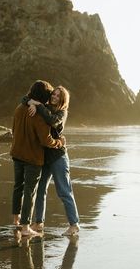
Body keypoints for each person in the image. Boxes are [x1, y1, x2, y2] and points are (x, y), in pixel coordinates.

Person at [23, 86, 80, 236]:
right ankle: (39, 223)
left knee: (64, 191)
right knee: (41, 189)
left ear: (63, 99)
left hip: (58, 157)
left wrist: (39, 105)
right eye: (53, 94)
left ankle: (74, 225)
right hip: (45, 157)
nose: (54, 96)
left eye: (58, 95)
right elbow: (24, 99)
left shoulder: (62, 112)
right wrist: (31, 103)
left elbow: (52, 121)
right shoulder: (46, 106)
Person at [10, 80, 64, 236]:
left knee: (17, 187)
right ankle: (26, 227)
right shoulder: (38, 115)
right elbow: (46, 140)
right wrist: (59, 142)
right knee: (30, 191)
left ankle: (16, 219)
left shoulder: (19, 108)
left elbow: (14, 130)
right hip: (32, 158)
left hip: (16, 153)